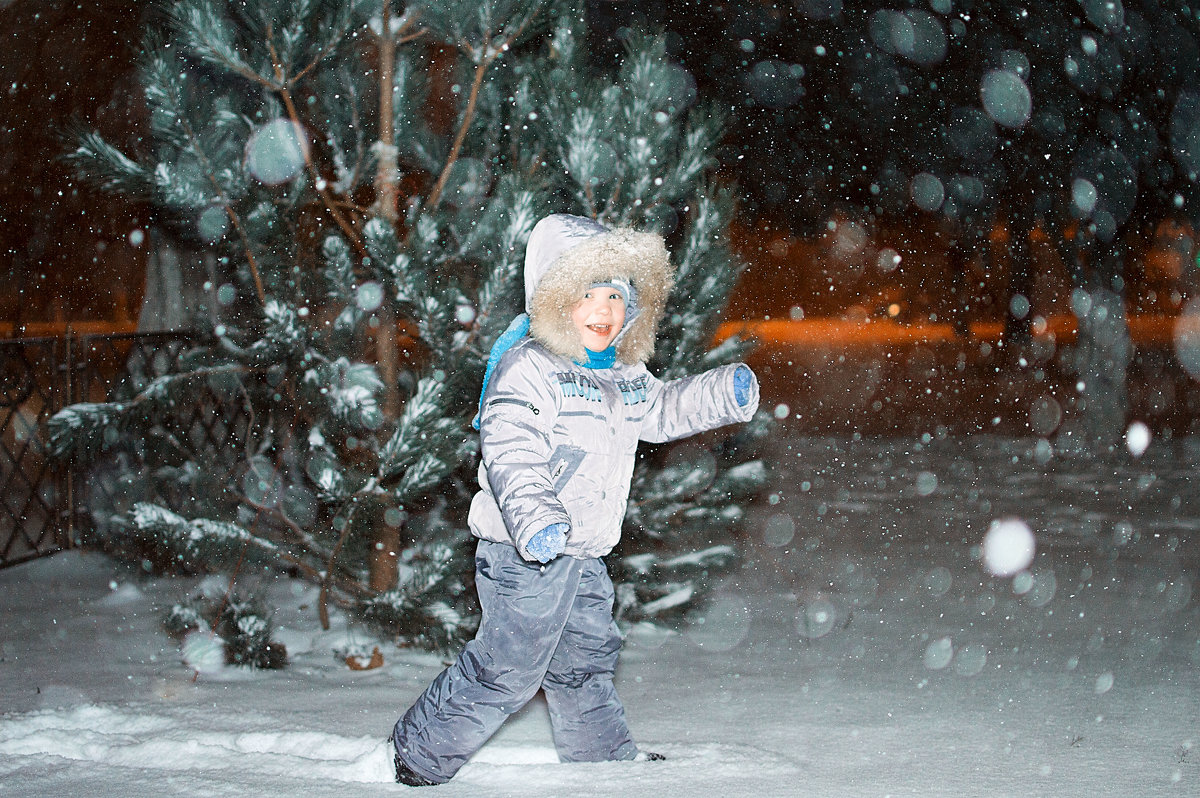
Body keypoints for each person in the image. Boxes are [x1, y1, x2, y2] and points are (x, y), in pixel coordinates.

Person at [390, 213, 759, 785]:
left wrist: (720, 393)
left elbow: (660, 412)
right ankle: (417, 753)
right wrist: (535, 517)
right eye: (588, 294)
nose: (604, 309)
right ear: (556, 298)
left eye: (616, 295)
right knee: (508, 668)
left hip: (583, 553)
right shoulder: (531, 366)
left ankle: (602, 761)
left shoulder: (624, 374)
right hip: (523, 550)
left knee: (585, 662)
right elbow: (510, 448)